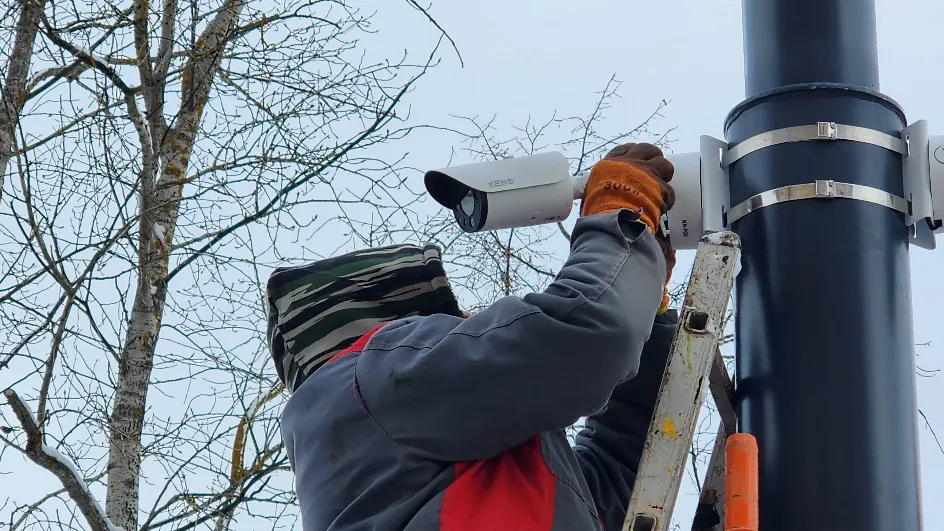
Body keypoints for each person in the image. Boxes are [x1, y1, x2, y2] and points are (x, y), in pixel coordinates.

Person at [266, 142, 678, 531]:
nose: (467, 321)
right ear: (387, 320)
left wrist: (646, 304)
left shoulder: (415, 455)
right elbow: (588, 333)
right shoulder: (369, 380)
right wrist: (622, 213)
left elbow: (616, 483)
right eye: (450, 321)